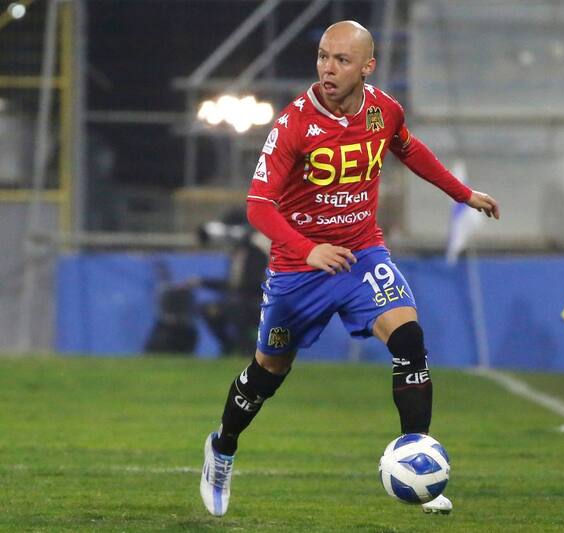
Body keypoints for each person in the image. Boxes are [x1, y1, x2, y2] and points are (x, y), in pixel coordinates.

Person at [199, 20, 500, 517]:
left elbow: (408, 147)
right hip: (299, 270)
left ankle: (417, 462)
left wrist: (461, 193)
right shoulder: (294, 123)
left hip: (362, 255)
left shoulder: (384, 111)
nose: (327, 68)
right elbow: (258, 206)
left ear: (367, 66)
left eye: (340, 59)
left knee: (409, 342)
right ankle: (223, 447)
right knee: (268, 373)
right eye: (322, 56)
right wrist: (307, 248)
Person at [193, 210, 269, 356]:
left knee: (237, 307)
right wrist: (202, 282)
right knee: (208, 309)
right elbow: (232, 284)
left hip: (257, 301)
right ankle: (229, 346)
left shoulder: (257, 251)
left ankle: (246, 349)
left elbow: (252, 283)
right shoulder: (237, 253)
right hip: (238, 301)